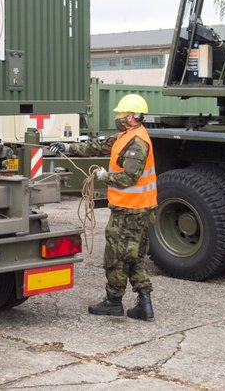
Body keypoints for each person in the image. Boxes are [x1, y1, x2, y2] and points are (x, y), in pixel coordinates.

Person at [48, 93, 157, 321]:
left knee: (116, 256)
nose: (117, 116)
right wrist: (67, 147)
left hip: (131, 210)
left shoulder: (137, 142)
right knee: (134, 256)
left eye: (121, 113)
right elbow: (98, 146)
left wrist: (103, 176)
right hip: (136, 209)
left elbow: (128, 178)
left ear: (132, 117)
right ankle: (144, 304)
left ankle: (113, 302)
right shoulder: (127, 136)